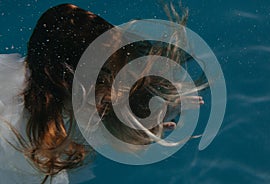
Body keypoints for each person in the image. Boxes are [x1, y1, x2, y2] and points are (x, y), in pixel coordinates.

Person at [0, 3, 206, 183]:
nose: (112, 95)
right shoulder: (11, 136)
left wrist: (142, 127)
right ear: (68, 82)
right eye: (105, 80)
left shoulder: (52, 92)